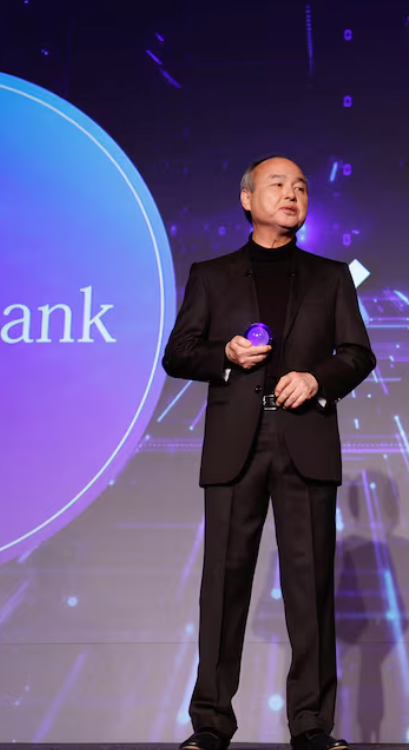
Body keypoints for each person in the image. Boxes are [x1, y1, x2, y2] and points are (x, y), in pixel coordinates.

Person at [162, 155, 376, 750]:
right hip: (237, 441)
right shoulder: (212, 275)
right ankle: (210, 724)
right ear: (247, 198)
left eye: (300, 187)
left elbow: (357, 353)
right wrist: (226, 356)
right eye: (278, 184)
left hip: (305, 437)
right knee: (223, 584)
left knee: (310, 586)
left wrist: (316, 379)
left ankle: (311, 725)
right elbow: (178, 353)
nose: (291, 194)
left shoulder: (331, 277)